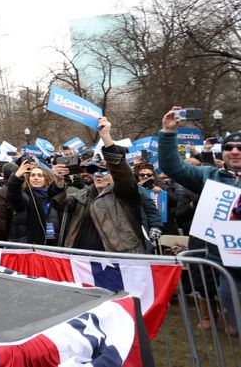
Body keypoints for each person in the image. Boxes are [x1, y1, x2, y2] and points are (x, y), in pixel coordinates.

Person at [158, 106, 241, 335]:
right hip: (228, 271)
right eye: (228, 148)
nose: (234, 151)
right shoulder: (208, 176)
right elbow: (172, 167)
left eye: (239, 147)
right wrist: (167, 133)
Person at [49, 117, 146, 253]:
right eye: (94, 172)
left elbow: (122, 173)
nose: (98, 175)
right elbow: (59, 203)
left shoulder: (124, 193)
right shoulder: (83, 195)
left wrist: (106, 136)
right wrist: (58, 181)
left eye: (104, 171)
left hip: (117, 264)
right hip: (81, 264)